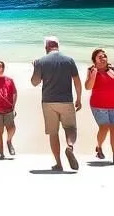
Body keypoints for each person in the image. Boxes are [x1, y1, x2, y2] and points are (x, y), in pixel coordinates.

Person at [31, 36, 82, 171]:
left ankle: (58, 163)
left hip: (48, 102)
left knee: (53, 133)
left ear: (46, 47)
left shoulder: (41, 62)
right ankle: (69, 147)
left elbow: (34, 82)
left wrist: (35, 67)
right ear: (58, 46)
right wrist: (79, 98)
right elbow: (77, 81)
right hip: (66, 100)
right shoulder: (69, 60)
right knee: (70, 128)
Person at [85, 48, 114, 164]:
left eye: (104, 56)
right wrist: (93, 74)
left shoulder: (113, 70)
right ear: (95, 61)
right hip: (98, 105)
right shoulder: (91, 70)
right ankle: (99, 146)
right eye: (100, 57)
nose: (103, 58)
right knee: (104, 127)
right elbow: (88, 87)